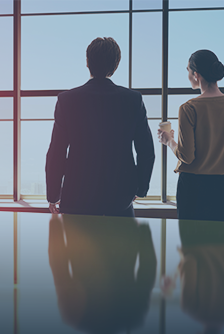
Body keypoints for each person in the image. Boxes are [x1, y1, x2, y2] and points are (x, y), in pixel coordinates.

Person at [46, 37, 155, 217]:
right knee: (120, 246)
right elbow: (145, 150)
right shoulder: (132, 100)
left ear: (87, 62)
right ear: (116, 65)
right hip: (120, 198)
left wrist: (53, 194)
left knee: (77, 246)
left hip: (76, 197)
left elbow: (57, 151)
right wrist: (140, 188)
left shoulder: (67, 100)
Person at [47, 214, 156, 334]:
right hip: (81, 225)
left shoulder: (134, 316)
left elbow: (148, 268)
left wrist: (144, 232)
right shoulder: (72, 316)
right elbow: (58, 264)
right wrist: (55, 226)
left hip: (121, 226)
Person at [158, 49, 224, 222]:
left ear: (196, 75)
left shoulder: (189, 108)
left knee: (191, 244)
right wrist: (219, 151)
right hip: (223, 186)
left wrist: (169, 141)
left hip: (193, 188)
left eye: (188, 71)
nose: (188, 76)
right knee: (223, 244)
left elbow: (187, 156)